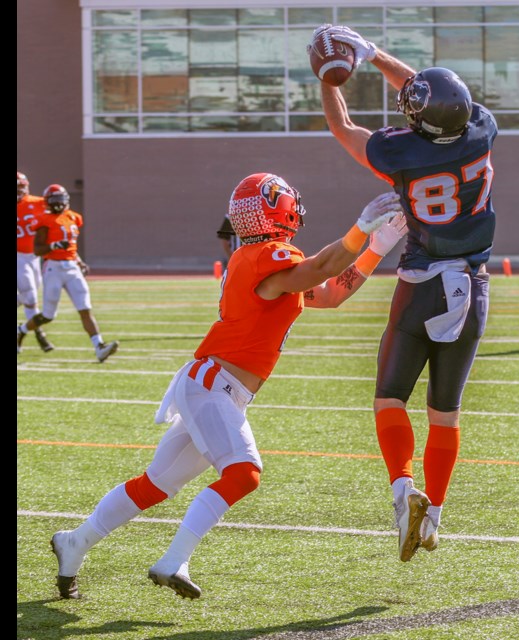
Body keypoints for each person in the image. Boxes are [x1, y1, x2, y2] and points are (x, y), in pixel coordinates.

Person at [49, 172, 406, 600]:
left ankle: (74, 542)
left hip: (217, 388)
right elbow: (321, 268)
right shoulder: (266, 256)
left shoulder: (265, 263)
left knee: (155, 485)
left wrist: (378, 247)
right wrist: (360, 229)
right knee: (244, 473)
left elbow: (329, 293)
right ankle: (175, 559)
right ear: (279, 208)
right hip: (212, 385)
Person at [314, 25, 496, 562]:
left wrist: (331, 76)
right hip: (474, 288)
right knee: (447, 412)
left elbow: (342, 124)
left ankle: (402, 492)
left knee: (390, 398)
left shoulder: (400, 153)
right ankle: (433, 516)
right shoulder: (482, 129)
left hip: (420, 285)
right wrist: (375, 55)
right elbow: (432, 95)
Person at [17, 184, 118, 362]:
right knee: (48, 315)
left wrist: (79, 261)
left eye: (60, 199)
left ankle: (99, 346)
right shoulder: (43, 221)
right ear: (48, 202)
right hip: (53, 268)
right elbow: (38, 249)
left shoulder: (74, 217)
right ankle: (21, 331)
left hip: (72, 267)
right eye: (54, 200)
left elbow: (71, 246)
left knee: (85, 308)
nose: (58, 204)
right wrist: (54, 246)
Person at [17, 171, 55, 353]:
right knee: (31, 297)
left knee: (30, 294)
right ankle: (40, 335)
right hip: (17, 256)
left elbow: (56, 212)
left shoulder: (38, 202)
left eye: (21, 187)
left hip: (34, 256)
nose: (19, 191)